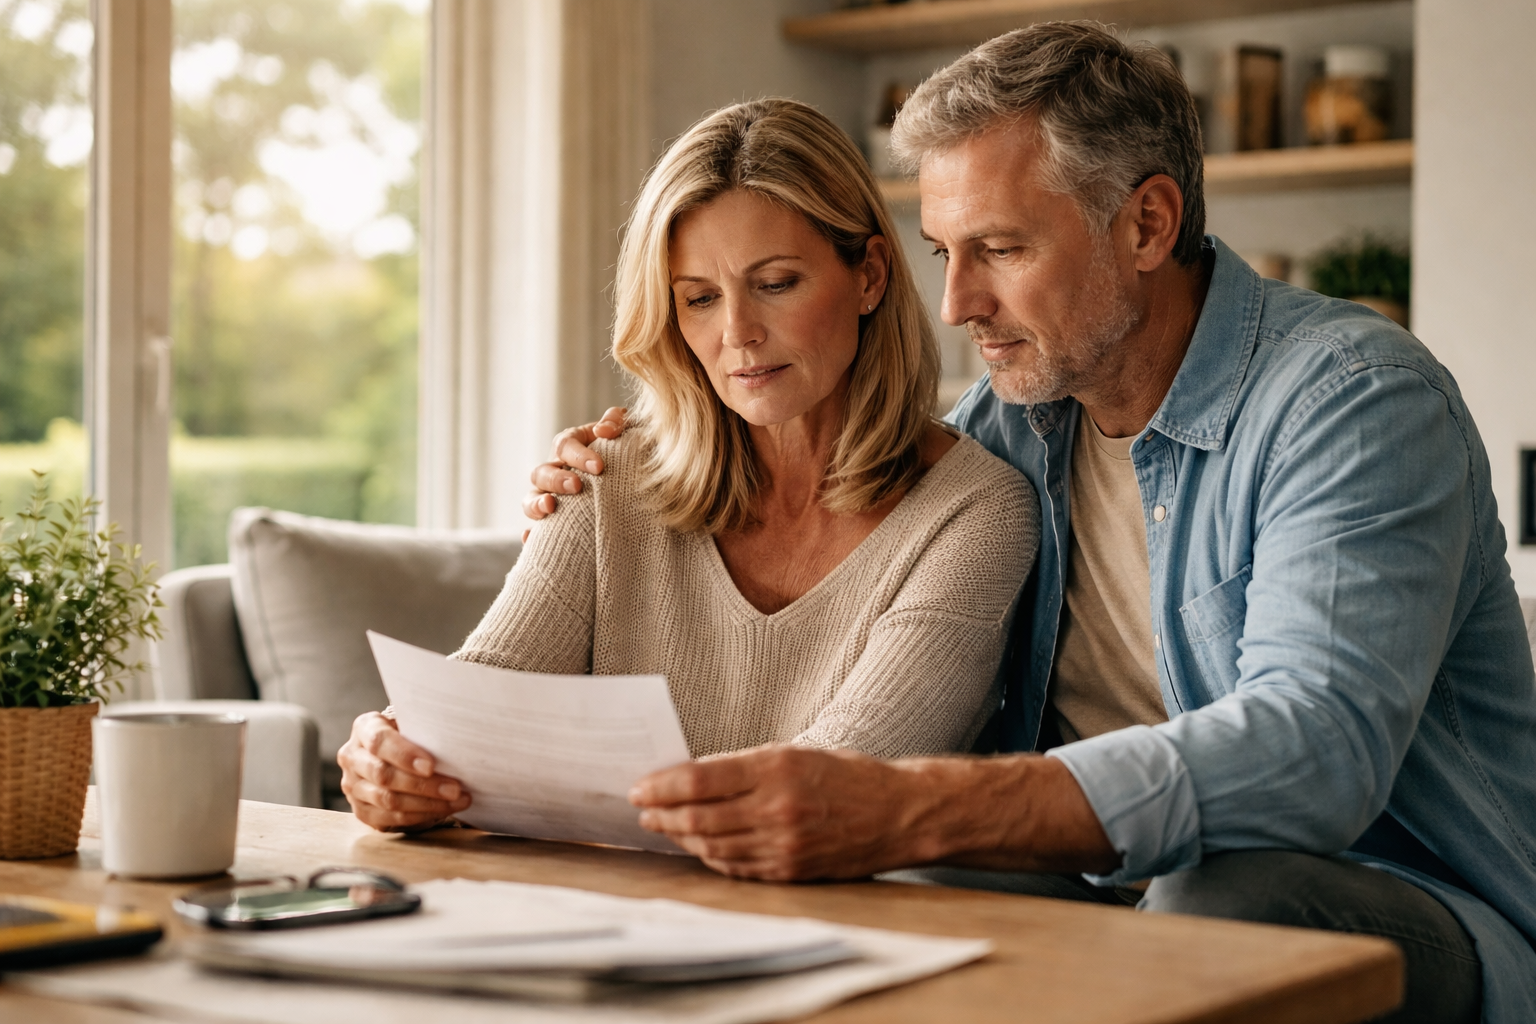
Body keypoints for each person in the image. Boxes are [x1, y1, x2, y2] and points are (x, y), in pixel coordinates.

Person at [526, 24, 1536, 1024]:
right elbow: (818, 507)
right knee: (890, 899)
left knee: (1215, 904)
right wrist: (624, 459)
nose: (958, 301)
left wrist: (912, 806)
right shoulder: (1006, 432)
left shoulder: (1352, 400)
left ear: (1145, 226)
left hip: (1401, 900)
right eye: (944, 253)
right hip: (1092, 884)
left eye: (1000, 249)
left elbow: (1318, 749)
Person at [337, 99, 1040, 846]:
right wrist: (398, 760)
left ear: (867, 276)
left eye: (776, 284)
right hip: (594, 925)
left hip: (841, 934)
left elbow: (836, 786)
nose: (737, 333)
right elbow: (471, 712)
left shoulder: (976, 512)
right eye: (699, 299)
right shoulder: (603, 476)